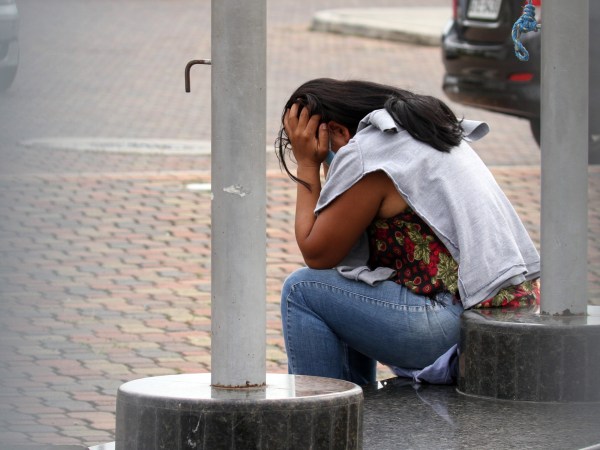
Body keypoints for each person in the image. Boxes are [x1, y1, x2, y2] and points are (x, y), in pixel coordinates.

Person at [276, 78, 540, 386]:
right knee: (344, 283)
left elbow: (317, 253)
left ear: (337, 131)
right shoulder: (415, 133)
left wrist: (308, 165)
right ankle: (354, 404)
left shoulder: (370, 154)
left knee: (302, 290)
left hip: (458, 322)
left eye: (319, 145)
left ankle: (322, 413)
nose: (323, 154)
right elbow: (339, 249)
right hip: (501, 312)